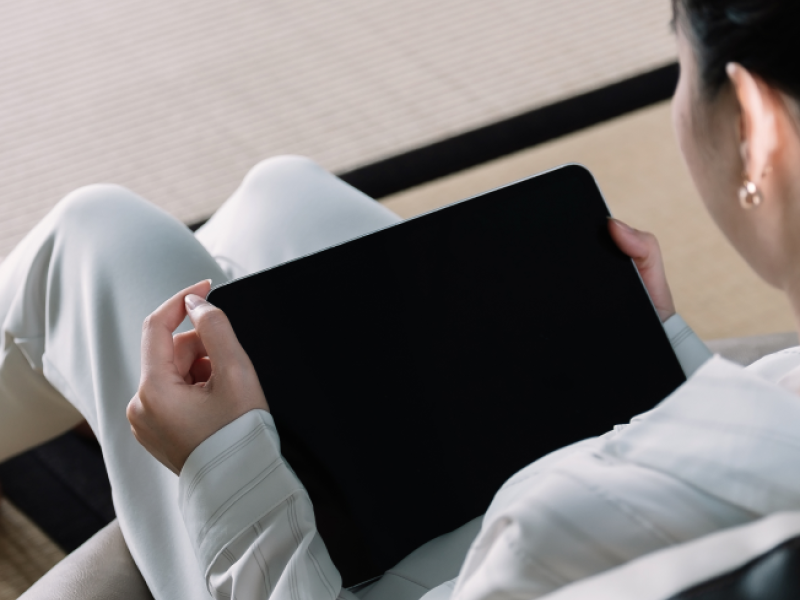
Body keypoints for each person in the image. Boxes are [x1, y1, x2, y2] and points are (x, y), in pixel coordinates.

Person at [2, 0, 800, 597]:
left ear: (757, 127)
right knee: (282, 197)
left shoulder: (554, 529)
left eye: (681, 66)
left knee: (98, 237)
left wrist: (228, 468)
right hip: (580, 499)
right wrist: (667, 357)